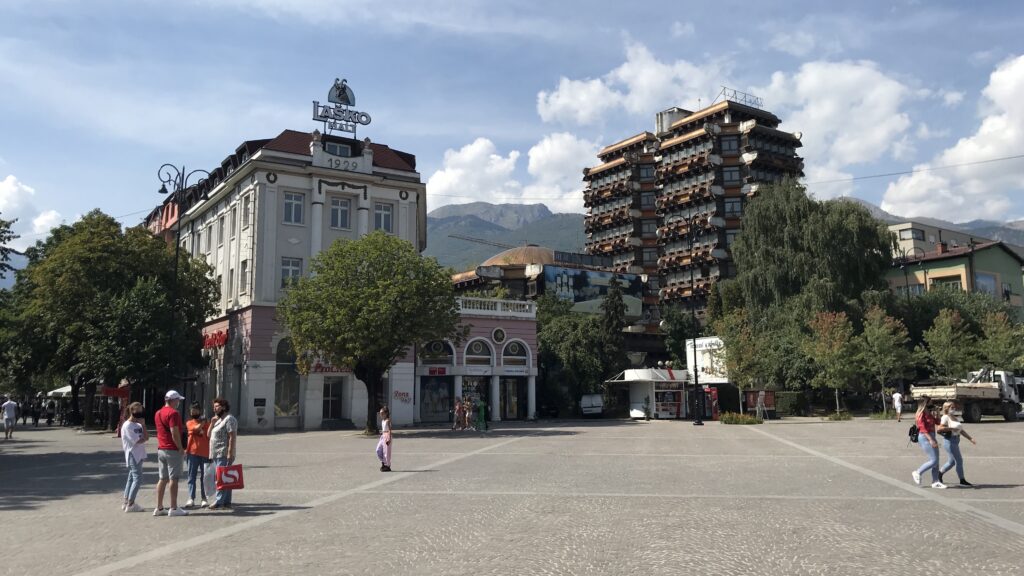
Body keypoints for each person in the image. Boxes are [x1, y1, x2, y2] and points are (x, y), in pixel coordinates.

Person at [154, 390, 189, 516]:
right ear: (173, 400)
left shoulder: (158, 412)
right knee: (174, 478)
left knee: (162, 478)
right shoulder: (174, 413)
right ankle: (173, 508)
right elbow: (174, 432)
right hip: (172, 449)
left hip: (161, 449)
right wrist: (180, 448)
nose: (178, 402)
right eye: (178, 400)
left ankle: (159, 507)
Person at [938, 400, 976, 487]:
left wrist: (970, 438)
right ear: (947, 408)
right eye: (952, 407)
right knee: (959, 460)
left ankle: (939, 474)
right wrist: (951, 428)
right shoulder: (945, 417)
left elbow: (961, 430)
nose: (954, 409)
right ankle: (962, 480)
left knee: (951, 462)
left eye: (954, 407)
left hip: (955, 441)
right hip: (949, 441)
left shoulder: (955, 418)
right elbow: (940, 428)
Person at [209, 397, 238, 511]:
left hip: (224, 453)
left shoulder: (229, 419)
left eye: (217, 406)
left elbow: (232, 436)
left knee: (221, 478)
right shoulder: (219, 420)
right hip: (217, 453)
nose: (214, 409)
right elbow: (208, 434)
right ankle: (226, 502)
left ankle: (219, 501)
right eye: (214, 407)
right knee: (226, 478)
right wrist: (212, 423)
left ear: (224, 407)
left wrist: (230, 453)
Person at [912, 395, 946, 489]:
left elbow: (938, 422)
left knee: (936, 460)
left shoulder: (928, 412)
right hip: (925, 437)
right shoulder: (921, 413)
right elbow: (922, 428)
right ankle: (918, 472)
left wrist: (938, 413)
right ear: (925, 403)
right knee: (933, 460)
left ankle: (935, 481)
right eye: (931, 402)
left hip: (931, 436)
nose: (932, 403)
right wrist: (931, 440)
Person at [120, 402, 148, 512]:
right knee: (138, 478)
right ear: (132, 411)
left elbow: (146, 437)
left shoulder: (138, 425)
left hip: (139, 453)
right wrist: (144, 434)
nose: (139, 413)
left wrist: (143, 426)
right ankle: (131, 504)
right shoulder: (127, 425)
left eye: (141, 410)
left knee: (131, 477)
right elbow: (139, 440)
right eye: (137, 411)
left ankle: (126, 501)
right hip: (132, 453)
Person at [185, 402, 211, 508]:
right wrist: (203, 423)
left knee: (204, 477)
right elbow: (195, 429)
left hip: (205, 452)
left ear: (200, 411)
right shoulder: (189, 422)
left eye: (196, 410)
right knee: (191, 476)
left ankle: (204, 498)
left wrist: (208, 423)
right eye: (192, 410)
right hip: (192, 452)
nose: (194, 412)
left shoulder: (207, 423)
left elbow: (210, 433)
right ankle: (191, 498)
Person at [376, 406, 392, 472]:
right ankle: (383, 462)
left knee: (386, 452)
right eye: (380, 413)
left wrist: (389, 439)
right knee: (378, 450)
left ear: (386, 413)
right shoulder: (383, 421)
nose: (381, 415)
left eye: (382, 413)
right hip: (383, 436)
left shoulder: (388, 421)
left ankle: (387, 465)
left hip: (387, 436)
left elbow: (390, 430)